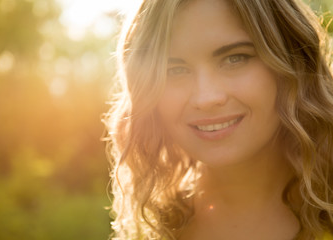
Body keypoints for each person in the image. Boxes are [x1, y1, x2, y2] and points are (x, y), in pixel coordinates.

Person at [103, 0, 333, 239]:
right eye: (175, 69)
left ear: (293, 61)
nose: (206, 98)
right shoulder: (150, 229)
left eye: (235, 58)